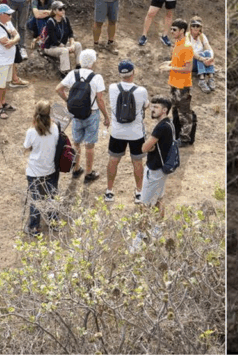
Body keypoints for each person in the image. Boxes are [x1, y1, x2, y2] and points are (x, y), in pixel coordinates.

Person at [55, 49, 110, 184]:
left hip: (76, 113)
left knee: (76, 143)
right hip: (92, 114)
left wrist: (68, 101)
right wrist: (106, 116)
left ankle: (76, 169)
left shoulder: (73, 74)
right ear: (93, 62)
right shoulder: (97, 77)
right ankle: (89, 173)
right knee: (89, 146)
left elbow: (58, 89)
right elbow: (100, 100)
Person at [106, 60, 149, 203]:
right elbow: (145, 106)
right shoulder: (141, 91)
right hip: (136, 133)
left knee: (113, 160)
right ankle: (139, 192)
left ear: (120, 74)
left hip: (117, 132)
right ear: (133, 72)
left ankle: (109, 191)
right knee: (137, 162)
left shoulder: (112, 88)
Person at [23, 101, 59, 236]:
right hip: (50, 169)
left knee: (36, 199)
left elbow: (26, 147)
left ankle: (34, 227)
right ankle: (53, 221)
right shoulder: (55, 128)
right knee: (52, 196)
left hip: (34, 171)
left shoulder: (31, 131)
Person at [139, 95, 175, 218]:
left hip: (154, 170)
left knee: (144, 204)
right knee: (159, 199)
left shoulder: (161, 127)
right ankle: (158, 227)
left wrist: (149, 146)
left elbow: (144, 148)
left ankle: (143, 230)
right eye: (152, 106)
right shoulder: (169, 123)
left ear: (164, 110)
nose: (152, 109)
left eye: (156, 107)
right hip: (162, 168)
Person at [160, 19, 194, 145]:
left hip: (183, 85)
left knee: (184, 113)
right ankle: (176, 135)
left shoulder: (187, 46)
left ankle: (185, 139)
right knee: (175, 111)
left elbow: (188, 68)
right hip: (174, 83)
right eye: (171, 29)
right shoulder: (177, 43)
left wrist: (171, 68)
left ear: (182, 31)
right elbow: (179, 62)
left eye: (174, 29)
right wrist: (169, 63)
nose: (172, 31)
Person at [0, 4, 20, 119]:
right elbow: (7, 44)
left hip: (8, 60)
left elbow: (17, 36)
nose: (10, 16)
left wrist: (13, 40)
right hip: (1, 61)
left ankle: (3, 102)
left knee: (4, 84)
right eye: (8, 14)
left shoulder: (7, 22)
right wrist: (14, 40)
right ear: (1, 15)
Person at [43, 1, 83, 77]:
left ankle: (79, 67)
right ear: (54, 11)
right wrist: (66, 47)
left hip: (62, 45)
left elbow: (70, 34)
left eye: (63, 8)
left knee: (78, 45)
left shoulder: (65, 19)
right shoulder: (50, 22)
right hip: (51, 47)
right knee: (64, 51)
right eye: (60, 9)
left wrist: (72, 44)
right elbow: (54, 39)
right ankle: (64, 73)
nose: (63, 11)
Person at [187, 15, 217, 93]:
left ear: (200, 27)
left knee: (207, 53)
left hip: (200, 62)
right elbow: (191, 53)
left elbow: (209, 48)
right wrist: (203, 59)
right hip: (190, 63)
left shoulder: (202, 36)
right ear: (190, 27)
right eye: (193, 26)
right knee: (200, 54)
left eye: (197, 26)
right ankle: (201, 79)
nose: (195, 28)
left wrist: (211, 58)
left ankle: (211, 77)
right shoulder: (187, 36)